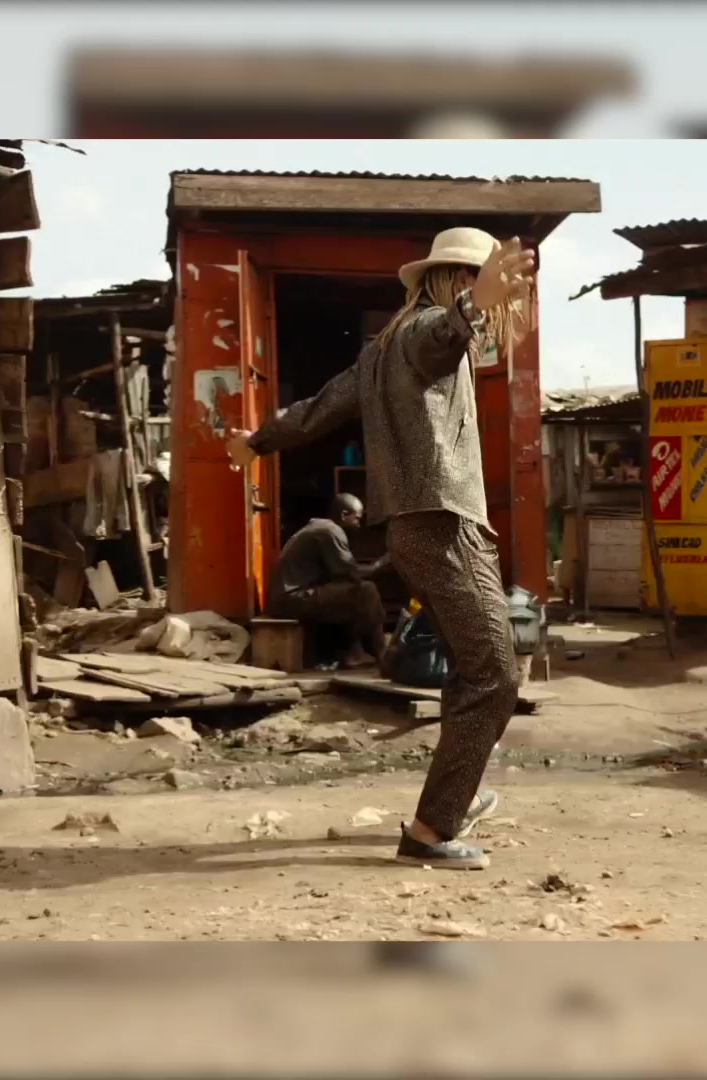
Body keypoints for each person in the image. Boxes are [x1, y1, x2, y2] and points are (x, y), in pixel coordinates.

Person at [225, 226, 534, 870]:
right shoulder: (426, 333)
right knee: (495, 674)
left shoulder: (377, 351)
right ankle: (430, 831)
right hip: (444, 525)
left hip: (415, 529)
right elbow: (442, 338)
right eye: (478, 282)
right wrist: (473, 307)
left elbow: (316, 408)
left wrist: (255, 442)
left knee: (472, 670)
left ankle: (456, 795)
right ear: (456, 279)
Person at [269, 492, 390, 669]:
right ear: (344, 515)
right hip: (292, 599)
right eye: (357, 518)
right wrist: (381, 564)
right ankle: (382, 654)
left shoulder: (320, 527)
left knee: (354, 595)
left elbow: (340, 576)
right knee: (366, 591)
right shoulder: (331, 531)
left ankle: (355, 652)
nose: (359, 523)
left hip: (289, 598)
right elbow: (350, 573)